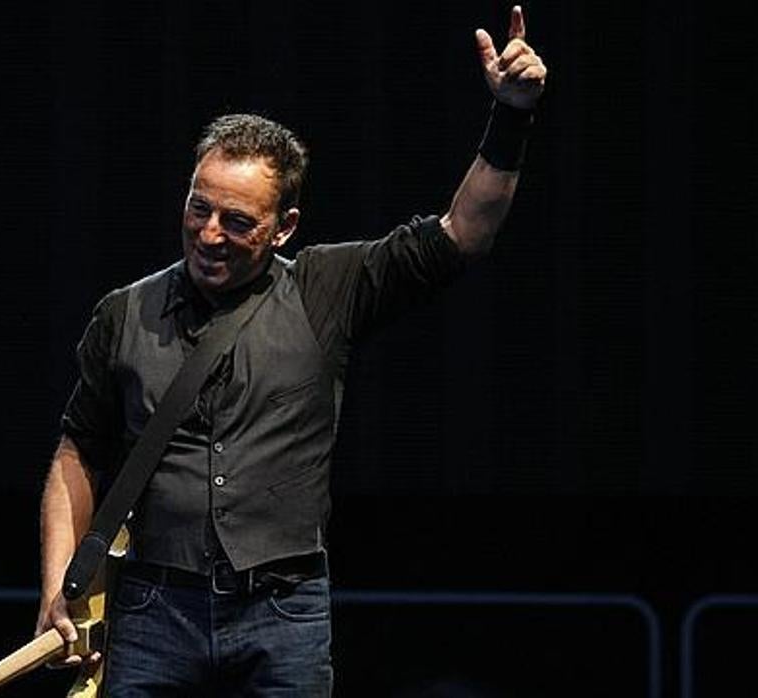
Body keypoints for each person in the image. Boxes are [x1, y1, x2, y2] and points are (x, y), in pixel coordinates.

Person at [35, 6, 547, 696]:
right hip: (154, 611)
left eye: (237, 221)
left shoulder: (325, 290)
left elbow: (463, 234)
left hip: (281, 612)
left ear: (284, 228)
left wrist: (511, 116)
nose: (209, 234)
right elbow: (77, 453)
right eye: (198, 208)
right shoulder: (124, 313)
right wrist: (58, 586)